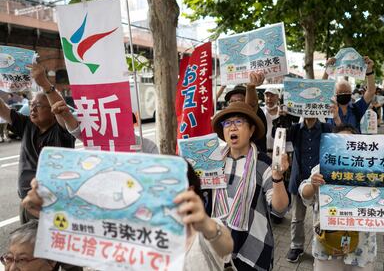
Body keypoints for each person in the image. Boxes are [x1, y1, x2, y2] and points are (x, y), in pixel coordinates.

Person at [22, 163, 234, 271]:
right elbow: (84, 230)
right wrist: (47, 209)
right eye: (152, 186)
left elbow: (224, 245)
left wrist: (206, 225)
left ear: (189, 190)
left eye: (168, 186)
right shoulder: (134, 233)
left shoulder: (206, 229)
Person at [299, 124, 384, 271]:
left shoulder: (373, 169)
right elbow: (304, 193)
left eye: (349, 142)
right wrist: (312, 186)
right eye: (340, 142)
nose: (345, 147)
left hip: (362, 249)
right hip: (327, 245)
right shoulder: (322, 169)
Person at [211, 101, 290, 271]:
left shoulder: (264, 164)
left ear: (252, 130)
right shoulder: (214, 162)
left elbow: (280, 209)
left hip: (254, 246)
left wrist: (277, 178)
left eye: (239, 122)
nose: (232, 128)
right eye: (227, 123)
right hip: (218, 244)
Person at [0, 64, 75, 224]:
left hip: (53, 206)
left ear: (52, 110)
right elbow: (2, 109)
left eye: (38, 106)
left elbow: (61, 109)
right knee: (26, 245)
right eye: (31, 105)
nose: (32, 109)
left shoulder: (63, 131)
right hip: (27, 201)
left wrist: (44, 83)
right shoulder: (27, 124)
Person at [286, 117, 333, 263]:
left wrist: (336, 115)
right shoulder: (294, 128)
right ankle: (296, 247)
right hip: (299, 178)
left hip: (321, 181)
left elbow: (342, 139)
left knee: (320, 218)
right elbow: (278, 136)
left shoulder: (327, 128)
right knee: (296, 217)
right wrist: (284, 117)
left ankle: (322, 245)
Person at [323, 56, 376, 132]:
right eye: (340, 92)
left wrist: (369, 71)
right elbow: (321, 90)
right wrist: (327, 70)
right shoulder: (330, 108)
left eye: (347, 92)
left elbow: (370, 92)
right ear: (335, 94)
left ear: (351, 93)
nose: (344, 94)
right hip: (332, 143)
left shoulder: (357, 108)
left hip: (353, 143)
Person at [221, 72, 268, 152]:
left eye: (239, 100)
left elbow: (251, 105)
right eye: (231, 101)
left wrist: (250, 86)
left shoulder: (254, 113)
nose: (234, 104)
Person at [261, 86, 281, 153]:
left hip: (279, 152)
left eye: (272, 96)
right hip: (263, 151)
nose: (269, 99)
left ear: (278, 97)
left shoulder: (282, 112)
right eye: (267, 96)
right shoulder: (260, 112)